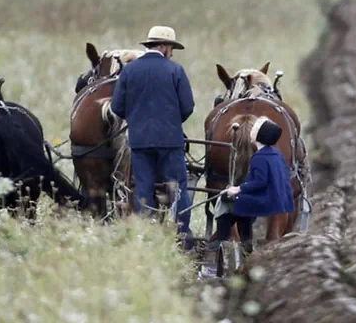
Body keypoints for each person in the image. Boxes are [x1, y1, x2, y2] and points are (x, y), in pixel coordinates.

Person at [110, 26, 195, 244]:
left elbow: (117, 106)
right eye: (172, 48)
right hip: (171, 141)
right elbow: (187, 106)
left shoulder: (129, 71)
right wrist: (172, 123)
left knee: (143, 188)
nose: (172, 52)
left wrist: (136, 121)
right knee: (177, 188)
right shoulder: (175, 70)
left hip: (140, 141)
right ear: (165, 47)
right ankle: (183, 236)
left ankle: (146, 237)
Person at [214, 116, 294, 254]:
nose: (251, 130)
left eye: (255, 128)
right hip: (279, 199)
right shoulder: (275, 154)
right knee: (242, 204)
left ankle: (222, 241)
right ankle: (246, 240)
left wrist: (237, 189)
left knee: (227, 208)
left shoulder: (259, 158)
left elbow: (259, 182)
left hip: (266, 200)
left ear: (259, 136)